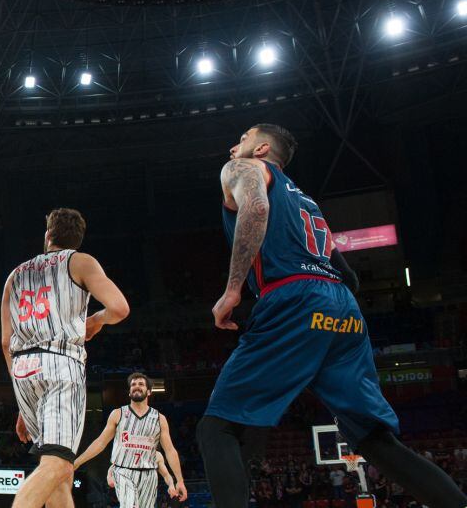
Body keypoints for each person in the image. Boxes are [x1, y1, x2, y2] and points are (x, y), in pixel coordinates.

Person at [195, 124, 467, 508]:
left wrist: (233, 288)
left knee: (215, 428)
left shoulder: (244, 169)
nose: (232, 145)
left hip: (293, 296)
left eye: (241, 139)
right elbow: (348, 273)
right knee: (374, 439)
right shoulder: (306, 201)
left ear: (261, 148)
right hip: (341, 307)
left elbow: (256, 207)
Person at [1, 208, 131, 508]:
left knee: (59, 475)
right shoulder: (80, 261)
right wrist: (97, 320)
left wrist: (22, 403)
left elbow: (6, 342)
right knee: (59, 465)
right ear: (77, 240)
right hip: (60, 364)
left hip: (22, 369)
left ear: (48, 236)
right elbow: (120, 308)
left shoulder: (15, 276)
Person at [74, 373, 188, 507]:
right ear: (129, 392)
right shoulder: (118, 414)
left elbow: (170, 450)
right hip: (123, 471)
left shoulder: (159, 418)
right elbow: (100, 442)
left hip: (149, 474)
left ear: (149, 391)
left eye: (141, 384)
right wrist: (77, 462)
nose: (136, 387)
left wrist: (179, 481)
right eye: (133, 385)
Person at [106, 452, 178, 501]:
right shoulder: (125, 452)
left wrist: (171, 485)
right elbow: (111, 478)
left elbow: (166, 475)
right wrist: (111, 477)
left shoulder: (156, 455)